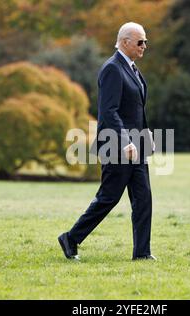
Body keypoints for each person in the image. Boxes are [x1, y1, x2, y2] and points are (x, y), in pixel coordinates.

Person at [58, 22, 156, 261]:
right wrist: (125, 142)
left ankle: (142, 253)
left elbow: (134, 108)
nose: (144, 46)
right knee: (109, 197)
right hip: (118, 145)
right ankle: (71, 238)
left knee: (143, 199)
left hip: (136, 146)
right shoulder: (112, 69)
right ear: (125, 42)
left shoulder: (131, 68)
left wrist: (146, 134)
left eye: (145, 41)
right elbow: (109, 112)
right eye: (140, 42)